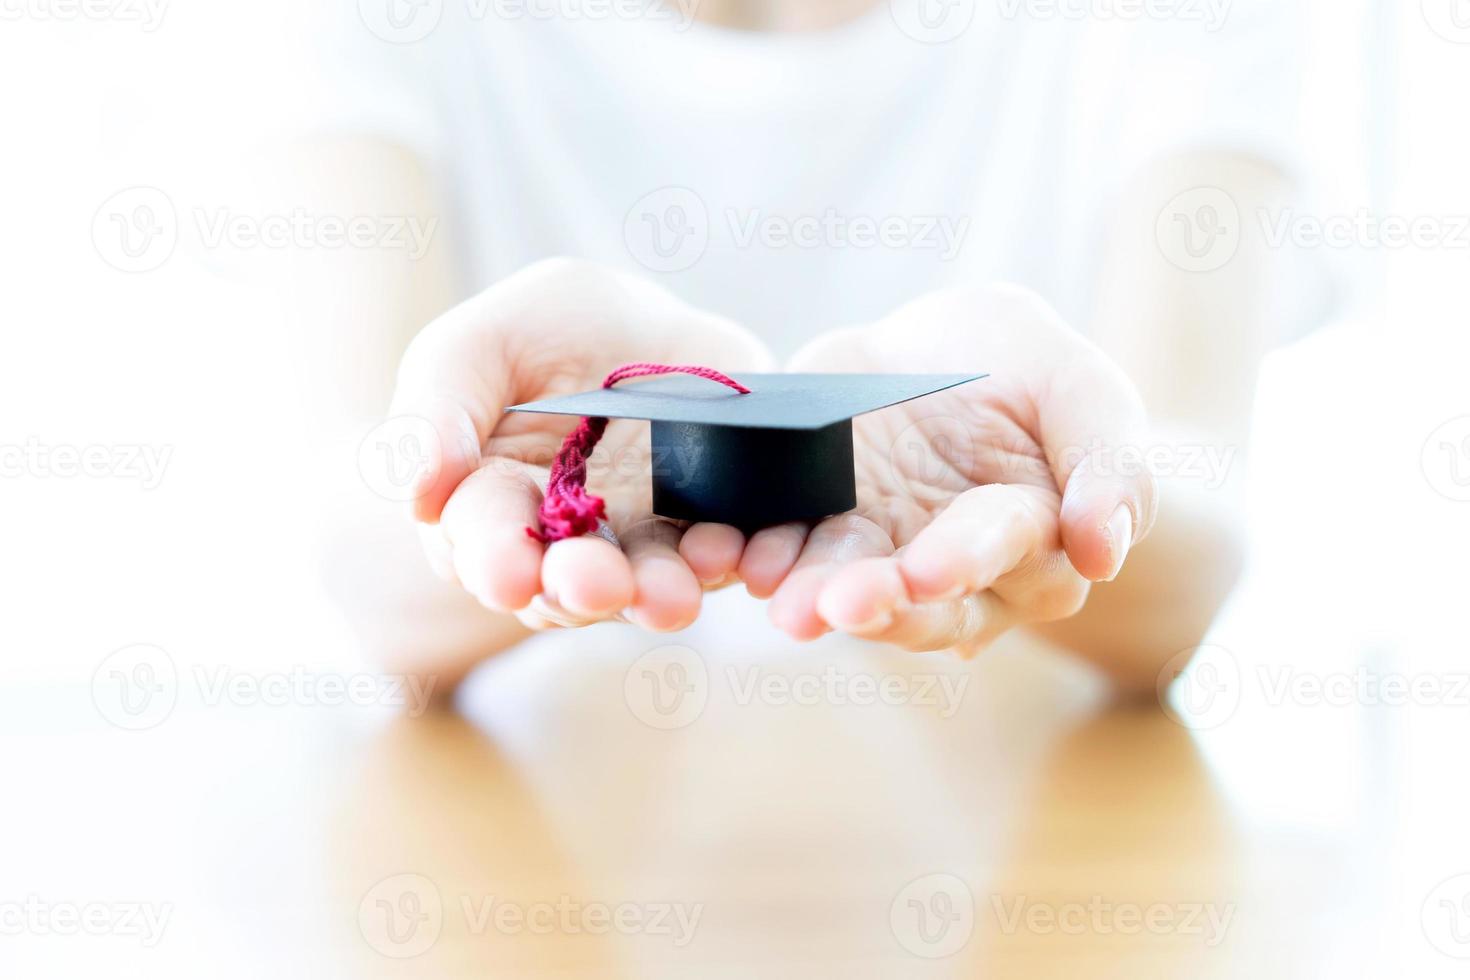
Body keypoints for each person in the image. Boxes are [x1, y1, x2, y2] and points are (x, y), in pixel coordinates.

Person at [300, 0, 1310, 696]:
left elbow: (1197, 528)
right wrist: (454, 481)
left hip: (1029, 814)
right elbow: (351, 538)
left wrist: (1078, 471)